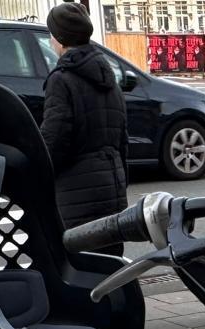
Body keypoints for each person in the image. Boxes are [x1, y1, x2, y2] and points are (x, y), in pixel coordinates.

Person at [41, 3, 127, 243]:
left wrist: (38, 176)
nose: (50, 41)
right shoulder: (109, 79)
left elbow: (54, 141)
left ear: (60, 39)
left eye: (51, 35)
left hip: (77, 193)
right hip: (113, 188)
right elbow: (122, 140)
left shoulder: (62, 80)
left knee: (81, 259)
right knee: (110, 259)